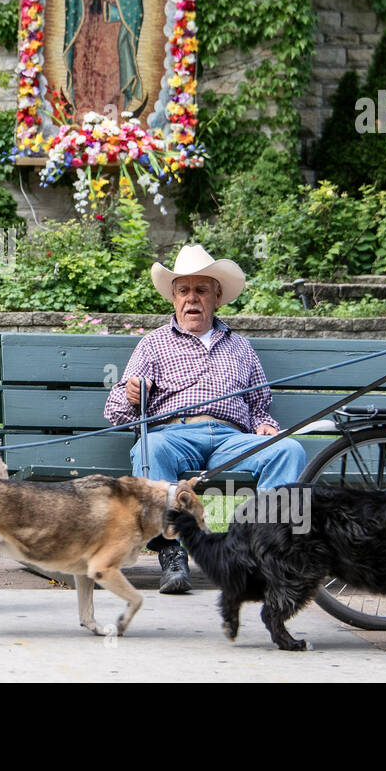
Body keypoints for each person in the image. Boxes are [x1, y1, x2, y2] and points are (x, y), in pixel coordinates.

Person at [103, 243, 307, 593]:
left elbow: (260, 403)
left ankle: (269, 552)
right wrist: (133, 394)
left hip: (231, 439)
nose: (191, 299)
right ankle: (171, 552)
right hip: (175, 435)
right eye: (183, 291)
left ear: (217, 296)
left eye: (200, 290)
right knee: (150, 448)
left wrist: (264, 424)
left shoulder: (240, 347)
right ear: (173, 298)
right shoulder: (154, 344)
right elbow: (116, 410)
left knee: (288, 451)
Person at [63, 0, 146, 120]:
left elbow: (134, 1)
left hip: (112, 29)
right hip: (87, 26)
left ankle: (111, 115)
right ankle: (85, 112)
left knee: (108, 68)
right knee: (84, 66)